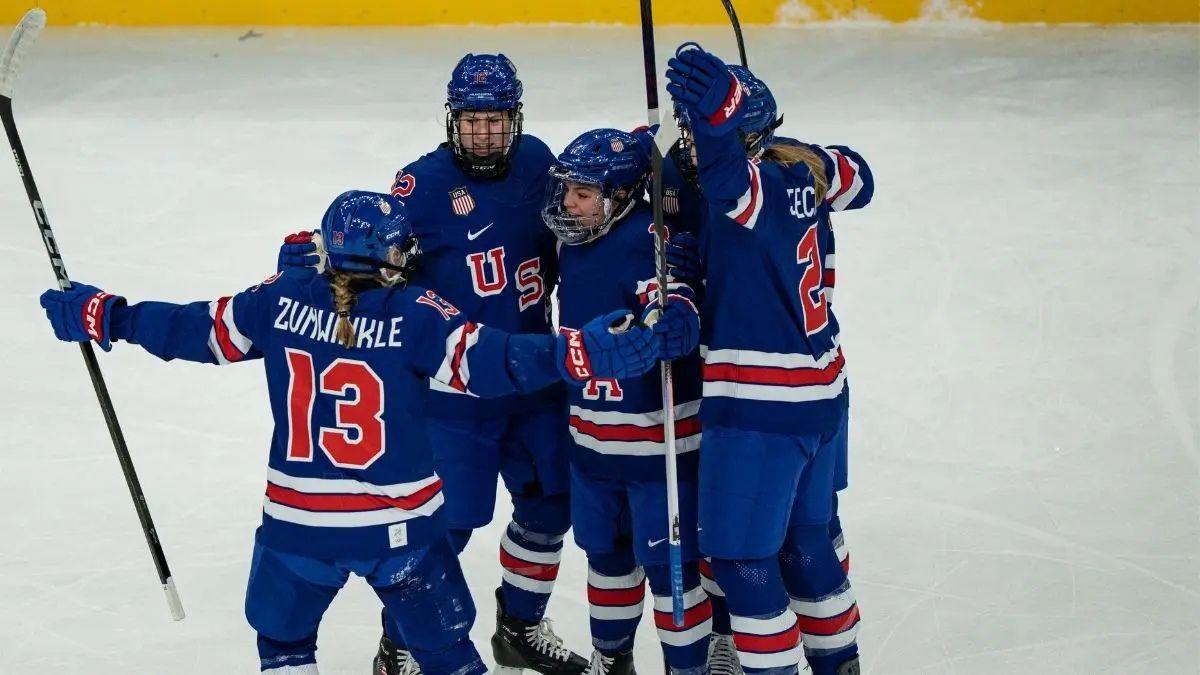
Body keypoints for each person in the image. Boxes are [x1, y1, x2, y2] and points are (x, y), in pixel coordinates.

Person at [39, 191, 662, 675]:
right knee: (448, 651)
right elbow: (495, 362)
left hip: (297, 528)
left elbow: (187, 330)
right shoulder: (417, 312)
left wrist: (105, 314)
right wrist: (580, 354)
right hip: (399, 532)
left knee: (283, 640)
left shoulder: (278, 299)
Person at [281, 54, 585, 675]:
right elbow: (373, 257)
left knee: (551, 507)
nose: (483, 134)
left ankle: (520, 627)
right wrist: (314, 268)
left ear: (515, 118)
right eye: (471, 122)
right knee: (448, 525)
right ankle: (402, 643)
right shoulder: (418, 186)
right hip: (452, 391)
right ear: (452, 120)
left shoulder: (540, 165)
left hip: (532, 374)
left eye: (495, 121)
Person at [663, 44, 874, 675]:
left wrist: (718, 117)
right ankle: (841, 666)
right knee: (806, 542)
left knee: (740, 562)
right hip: (823, 392)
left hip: (761, 406)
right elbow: (859, 174)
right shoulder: (805, 172)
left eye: (699, 128)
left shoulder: (747, 197)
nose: (692, 143)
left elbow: (726, 179)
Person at [542, 128, 709, 675]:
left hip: (656, 452)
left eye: (584, 194)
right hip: (591, 448)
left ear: (618, 197)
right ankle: (611, 661)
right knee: (607, 560)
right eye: (568, 189)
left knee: (669, 570)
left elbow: (678, 305)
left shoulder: (648, 241)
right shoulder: (572, 242)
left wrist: (675, 325)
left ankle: (689, 667)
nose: (569, 203)